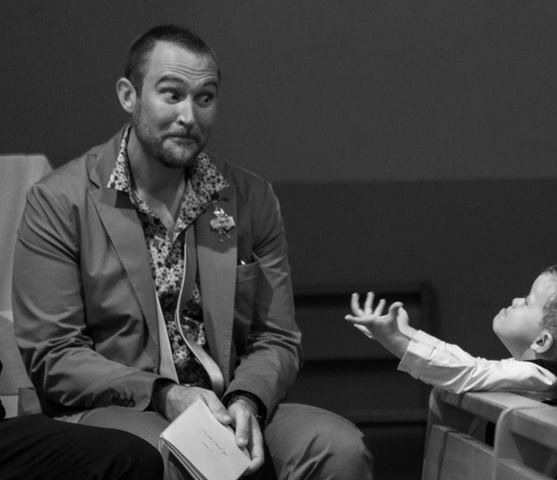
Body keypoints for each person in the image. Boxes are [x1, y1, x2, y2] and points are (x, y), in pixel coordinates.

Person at [12, 24, 372, 480]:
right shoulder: (59, 201)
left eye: (204, 98)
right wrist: (166, 393)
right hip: (122, 409)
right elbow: (55, 354)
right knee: (166, 461)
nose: (189, 115)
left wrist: (248, 399)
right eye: (171, 94)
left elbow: (277, 339)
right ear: (129, 95)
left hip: (227, 402)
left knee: (338, 448)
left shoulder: (249, 198)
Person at [345, 263, 557, 407]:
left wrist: (395, 338)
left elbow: (465, 371)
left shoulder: (537, 378)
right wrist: (405, 333)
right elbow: (468, 366)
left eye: (527, 301)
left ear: (542, 341)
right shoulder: (540, 380)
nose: (515, 299)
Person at [0, 360, 164, 480]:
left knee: (135, 456)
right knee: (138, 456)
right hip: (104, 398)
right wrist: (162, 393)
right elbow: (55, 358)